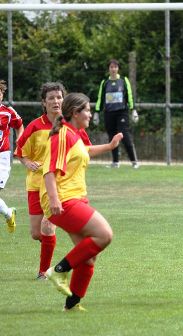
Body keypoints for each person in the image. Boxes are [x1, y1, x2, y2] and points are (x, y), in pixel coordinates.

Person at [41, 92, 123, 312]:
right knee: (104, 235)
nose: (90, 114)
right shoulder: (62, 136)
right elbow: (48, 170)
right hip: (63, 200)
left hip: (73, 198)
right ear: (75, 113)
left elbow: (84, 151)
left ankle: (71, 304)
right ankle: (58, 270)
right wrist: (54, 199)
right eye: (87, 110)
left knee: (88, 258)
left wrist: (109, 147)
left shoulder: (74, 134)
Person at [15, 82, 68, 280]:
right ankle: (49, 241)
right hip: (35, 185)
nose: (56, 101)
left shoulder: (69, 125)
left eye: (59, 97)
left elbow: (84, 148)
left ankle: (43, 272)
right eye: (51, 98)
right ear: (43, 103)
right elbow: (20, 152)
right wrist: (27, 162)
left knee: (48, 226)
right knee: (37, 234)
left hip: (59, 185)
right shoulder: (35, 126)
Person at [94, 58, 139, 169]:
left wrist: (133, 109)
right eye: (111, 67)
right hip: (109, 113)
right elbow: (100, 98)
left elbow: (129, 95)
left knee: (125, 135)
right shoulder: (104, 83)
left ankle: (134, 161)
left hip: (122, 112)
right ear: (109, 69)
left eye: (115, 67)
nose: (113, 69)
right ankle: (115, 162)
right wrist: (96, 112)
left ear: (118, 69)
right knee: (112, 137)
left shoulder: (124, 80)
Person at [0, 79, 24, 233]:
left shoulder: (7, 112)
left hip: (2, 157)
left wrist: (19, 140)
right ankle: (9, 213)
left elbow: (20, 125)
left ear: (2, 95)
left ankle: (9, 213)